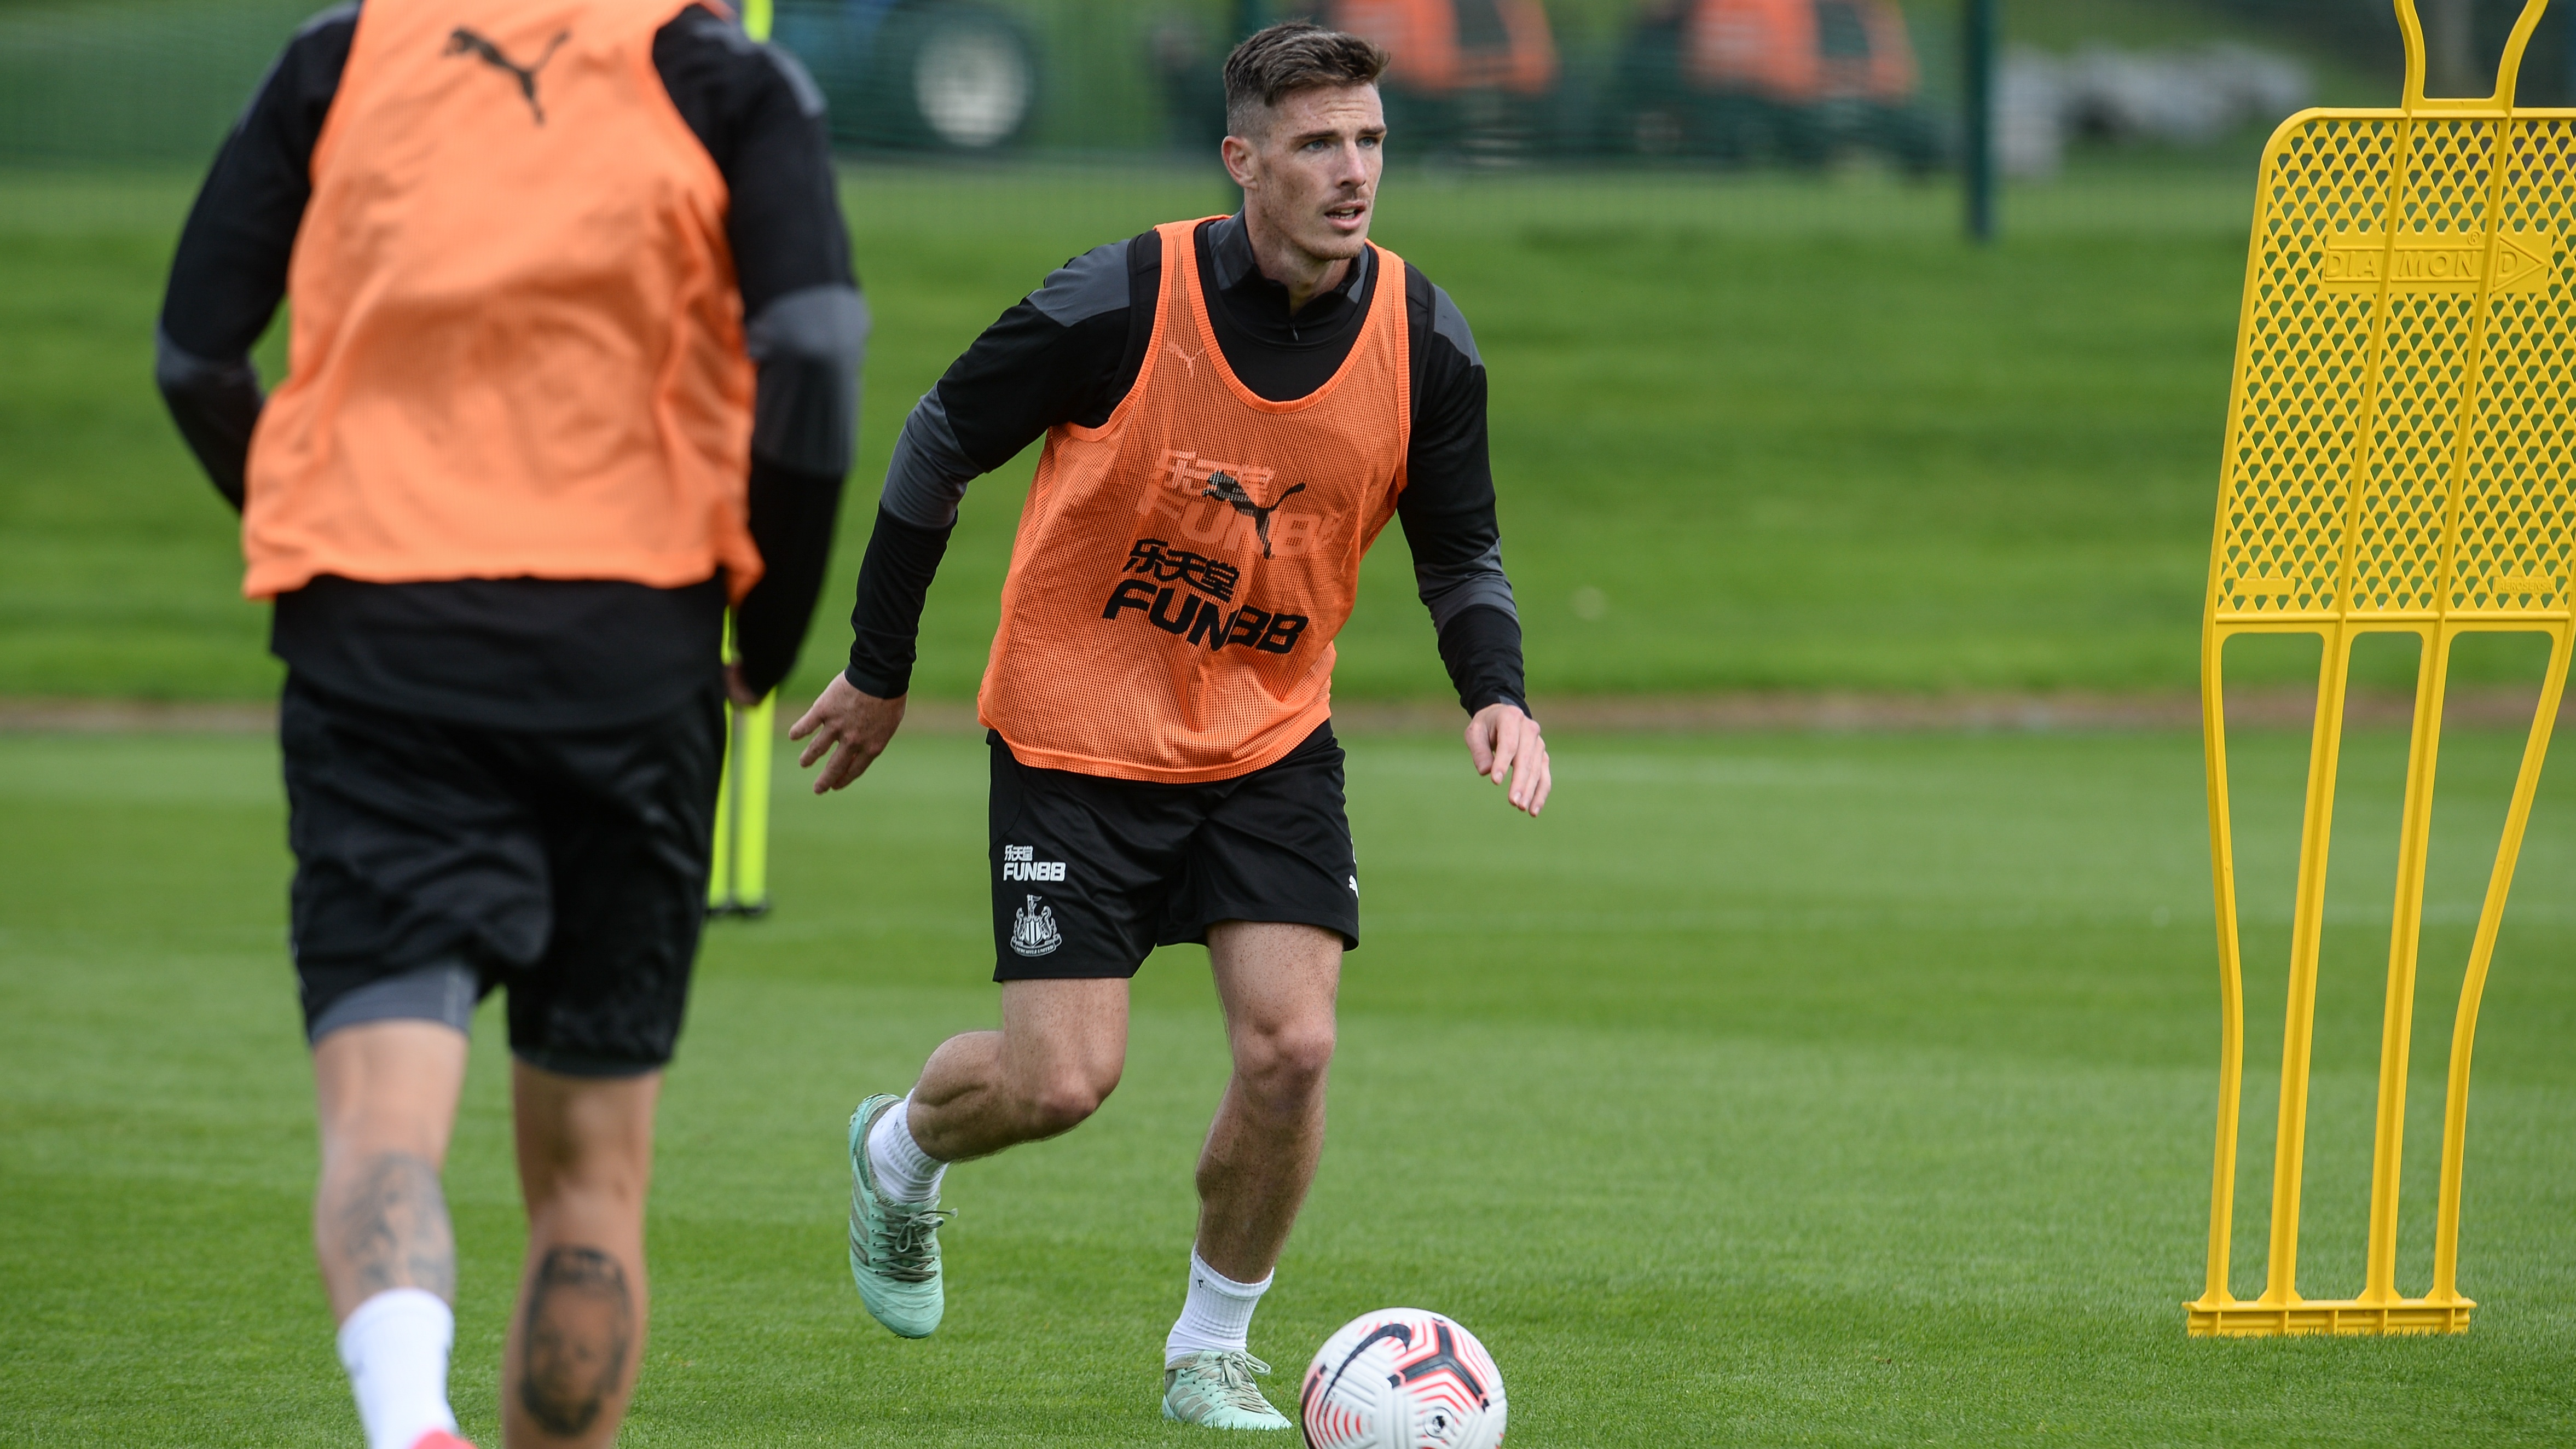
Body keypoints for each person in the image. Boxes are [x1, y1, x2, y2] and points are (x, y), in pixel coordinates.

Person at [789, 20, 1548, 1431]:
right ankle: (898, 1154)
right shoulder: (1120, 301)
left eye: (1371, 140)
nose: (1353, 171)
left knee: (1293, 1050)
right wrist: (880, 669)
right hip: (1076, 740)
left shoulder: (1422, 339)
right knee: (1063, 1081)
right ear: (1242, 159)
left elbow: (1463, 550)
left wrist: (1495, 692)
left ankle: (1211, 1349)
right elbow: (938, 441)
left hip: (1266, 739)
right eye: (1318, 143)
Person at [153, 0, 861, 1444]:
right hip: (636, 654)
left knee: (382, 1117)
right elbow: (818, 355)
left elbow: (192, 359)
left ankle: (409, 1413)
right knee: (594, 1175)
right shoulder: (725, 72)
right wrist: (767, 633)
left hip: (381, 649)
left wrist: (322, 525)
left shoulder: (341, 54)